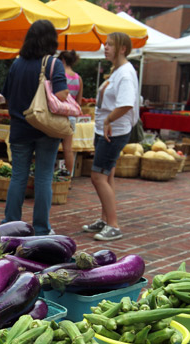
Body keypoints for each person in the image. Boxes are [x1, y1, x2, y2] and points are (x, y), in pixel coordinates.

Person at [1, 20, 69, 236]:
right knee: (43, 177)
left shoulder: (17, 64)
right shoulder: (53, 64)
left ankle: (10, 224)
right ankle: (41, 228)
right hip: (46, 130)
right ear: (51, 40)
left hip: (20, 129)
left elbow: (7, 95)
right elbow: (60, 95)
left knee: (18, 176)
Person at [83, 32, 139, 241]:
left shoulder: (124, 74)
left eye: (110, 45)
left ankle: (113, 224)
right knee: (107, 176)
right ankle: (106, 220)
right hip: (107, 130)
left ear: (122, 48)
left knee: (98, 176)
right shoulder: (118, 71)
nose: (105, 47)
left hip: (113, 131)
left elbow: (126, 104)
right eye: (105, 44)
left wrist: (108, 121)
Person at [59, 50, 84, 174]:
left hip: (58, 116)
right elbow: (79, 102)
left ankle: (50, 176)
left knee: (51, 147)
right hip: (71, 117)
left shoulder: (59, 76)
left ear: (62, 60)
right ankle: (68, 176)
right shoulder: (78, 78)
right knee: (68, 149)